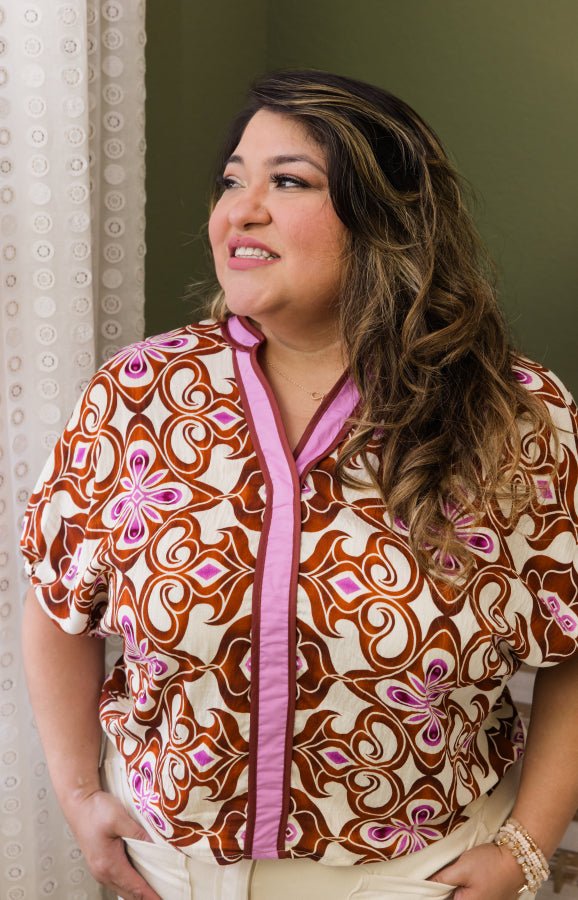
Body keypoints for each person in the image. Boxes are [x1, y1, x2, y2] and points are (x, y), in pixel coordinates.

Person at [20, 69, 578, 900]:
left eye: (288, 182)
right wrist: (76, 795)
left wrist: (527, 850)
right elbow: (56, 596)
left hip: (416, 877)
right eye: (232, 181)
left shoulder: (515, 413)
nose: (239, 211)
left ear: (386, 218)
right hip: (174, 873)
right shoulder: (138, 395)